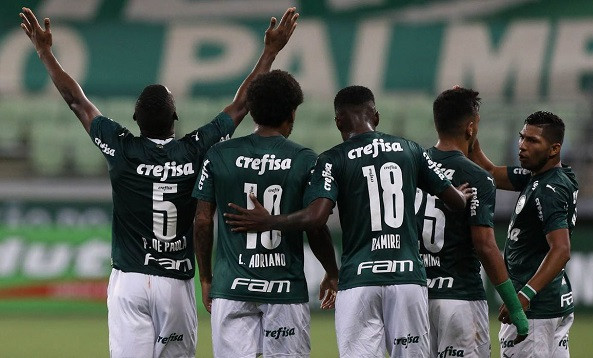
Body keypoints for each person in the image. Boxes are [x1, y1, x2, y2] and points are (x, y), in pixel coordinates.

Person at [19, 6, 299, 357]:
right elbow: (241, 106)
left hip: (130, 281)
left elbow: (77, 101)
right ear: (176, 118)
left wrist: (44, 52)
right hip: (175, 284)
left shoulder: (121, 149)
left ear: (134, 119)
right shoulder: (195, 151)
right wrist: (270, 51)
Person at [224, 85, 472, 358]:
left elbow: (316, 217)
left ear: (338, 121)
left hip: (359, 280)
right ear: (375, 117)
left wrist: (270, 221)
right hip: (407, 279)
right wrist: (459, 193)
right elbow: (456, 204)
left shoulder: (332, 159)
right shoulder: (411, 150)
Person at [192, 68, 338, 358]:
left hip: (232, 287)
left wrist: (207, 278)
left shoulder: (219, 154)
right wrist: (332, 272)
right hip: (285, 289)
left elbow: (203, 220)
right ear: (292, 113)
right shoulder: (305, 159)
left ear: (253, 111)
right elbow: (316, 225)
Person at [414, 87, 528, 358]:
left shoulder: (415, 165)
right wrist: (514, 306)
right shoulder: (477, 178)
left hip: (417, 299)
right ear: (470, 127)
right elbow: (485, 246)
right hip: (460, 298)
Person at [469, 111, 577, 358]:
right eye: (522, 137)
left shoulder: (549, 188)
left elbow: (561, 249)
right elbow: (488, 171)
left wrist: (524, 296)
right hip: (550, 305)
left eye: (532, 141)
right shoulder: (541, 176)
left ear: (554, 149)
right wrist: (471, 125)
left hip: (536, 310)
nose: (522, 146)